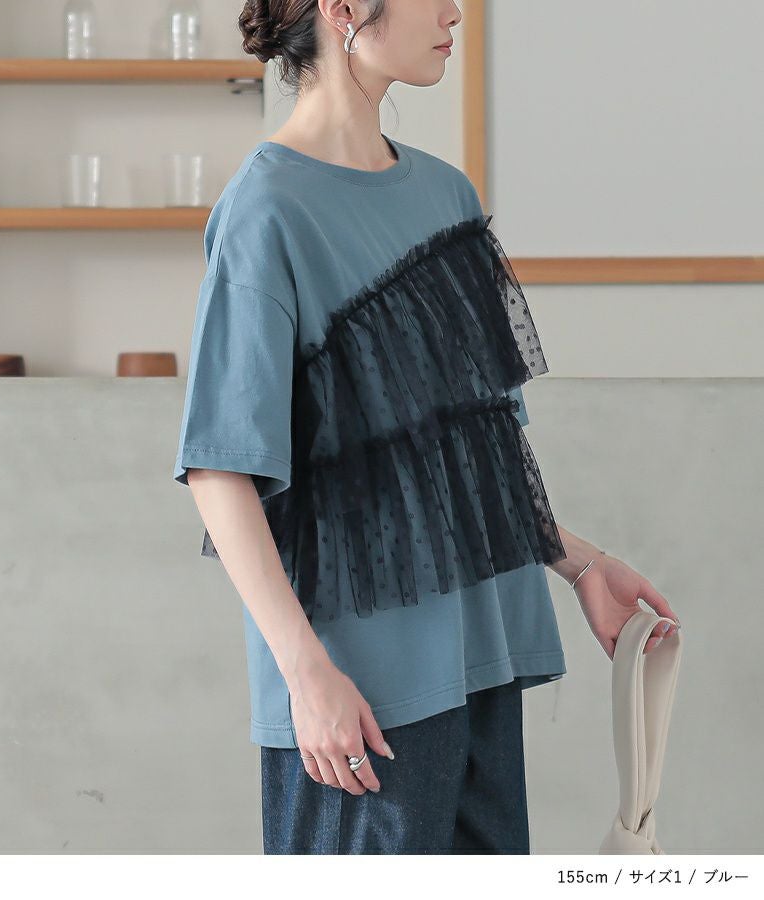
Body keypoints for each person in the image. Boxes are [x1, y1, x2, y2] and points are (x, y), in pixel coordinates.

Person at [173, 0, 681, 854]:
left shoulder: (446, 195)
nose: (453, 11)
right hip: (359, 697)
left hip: (482, 659)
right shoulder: (267, 211)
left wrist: (582, 564)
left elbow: (462, 454)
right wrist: (306, 673)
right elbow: (220, 471)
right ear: (343, 9)